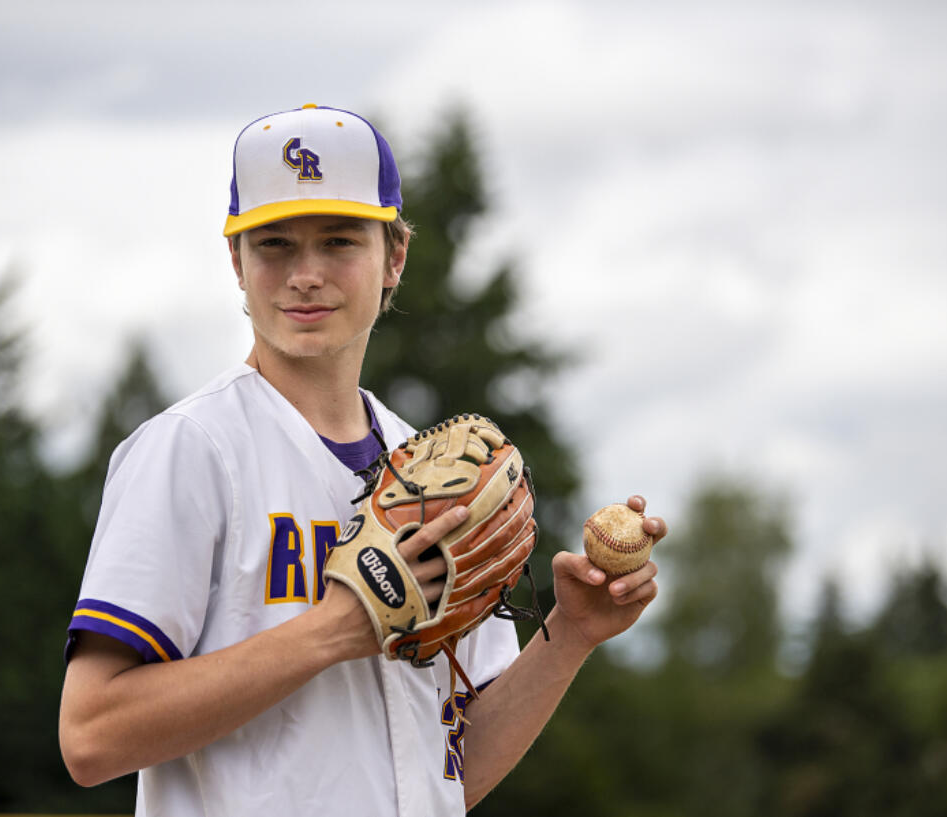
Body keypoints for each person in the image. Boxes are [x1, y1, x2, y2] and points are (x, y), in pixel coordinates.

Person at [58, 103, 665, 816]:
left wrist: (570, 634)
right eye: (274, 244)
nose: (305, 274)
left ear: (395, 257)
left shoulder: (444, 480)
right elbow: (90, 734)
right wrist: (332, 631)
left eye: (340, 241)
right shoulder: (193, 450)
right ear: (236, 262)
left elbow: (450, 773)